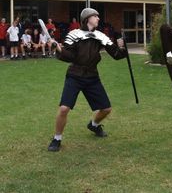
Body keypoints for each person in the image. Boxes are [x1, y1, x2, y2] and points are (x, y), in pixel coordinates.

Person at [47, 8, 127, 152]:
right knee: (64, 108)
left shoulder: (100, 35)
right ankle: (57, 139)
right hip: (75, 75)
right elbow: (69, 56)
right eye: (95, 16)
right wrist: (58, 49)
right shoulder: (74, 34)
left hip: (92, 77)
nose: (98, 18)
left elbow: (116, 54)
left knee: (106, 109)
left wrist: (122, 48)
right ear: (87, 18)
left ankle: (94, 125)